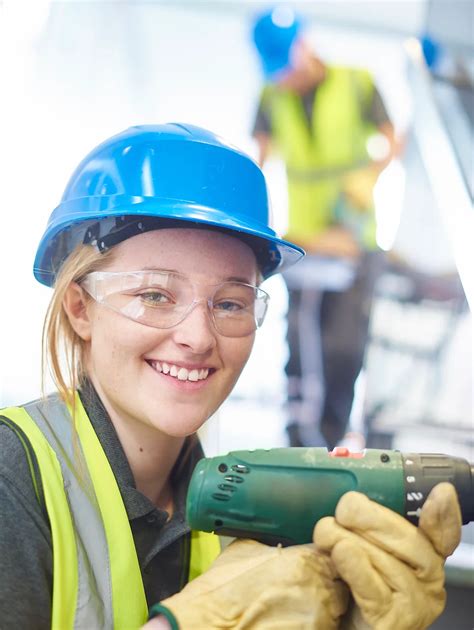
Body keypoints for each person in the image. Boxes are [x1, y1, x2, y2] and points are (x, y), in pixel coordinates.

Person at [0, 123, 461, 630]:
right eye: (155, 295)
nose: (198, 337)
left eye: (230, 302)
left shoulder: (232, 511)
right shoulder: (12, 479)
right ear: (79, 309)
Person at [251, 7, 398, 449]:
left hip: (354, 241)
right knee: (299, 344)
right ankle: (296, 440)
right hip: (305, 243)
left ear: (304, 45)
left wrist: (368, 175)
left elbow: (393, 139)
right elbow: (257, 158)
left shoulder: (357, 82)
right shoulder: (270, 97)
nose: (284, 78)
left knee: (343, 348)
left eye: (287, 66)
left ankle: (334, 439)